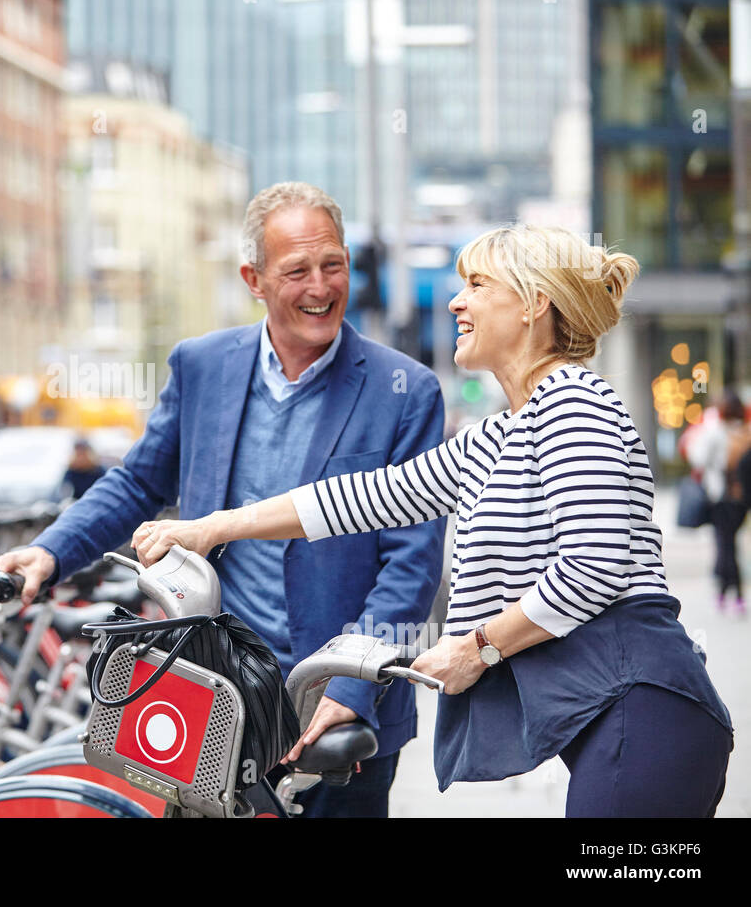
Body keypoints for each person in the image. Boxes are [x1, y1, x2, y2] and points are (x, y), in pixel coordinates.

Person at [131, 225, 734, 818]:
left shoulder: (574, 403)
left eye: (476, 283)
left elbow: (595, 565)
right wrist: (212, 527)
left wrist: (477, 648)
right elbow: (363, 498)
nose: (455, 301)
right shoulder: (500, 434)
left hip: (647, 706)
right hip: (621, 718)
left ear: (534, 304)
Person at [0, 182, 447, 817]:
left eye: (333, 265)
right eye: (297, 271)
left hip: (337, 706)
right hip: (215, 692)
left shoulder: (406, 391)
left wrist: (350, 685)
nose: (321, 287)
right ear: (254, 278)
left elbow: (413, 561)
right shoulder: (202, 366)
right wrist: (50, 553)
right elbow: (137, 484)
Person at [688, 392, 751, 616]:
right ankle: (728, 593)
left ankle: (734, 596)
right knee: (730, 544)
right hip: (742, 498)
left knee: (725, 545)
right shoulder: (746, 432)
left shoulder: (716, 431)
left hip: (721, 496)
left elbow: (699, 458)